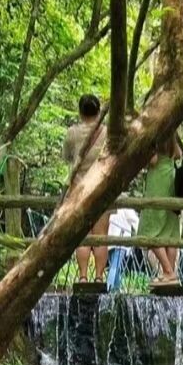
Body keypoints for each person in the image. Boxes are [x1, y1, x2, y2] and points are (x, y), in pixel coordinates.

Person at [62, 94, 108, 282]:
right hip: (103, 187)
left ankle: (82, 276)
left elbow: (66, 157)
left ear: (80, 112)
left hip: (79, 189)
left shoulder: (72, 133)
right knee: (101, 235)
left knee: (82, 234)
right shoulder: (107, 131)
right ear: (99, 112)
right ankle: (98, 277)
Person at [137, 137, 183, 283]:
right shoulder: (172, 133)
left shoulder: (155, 134)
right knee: (170, 229)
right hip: (170, 177)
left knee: (149, 229)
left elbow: (153, 160)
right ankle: (169, 275)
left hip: (157, 181)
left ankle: (168, 271)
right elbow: (179, 153)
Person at [106, 207, 139, 291]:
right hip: (121, 241)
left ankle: (116, 288)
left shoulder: (112, 207)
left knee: (115, 265)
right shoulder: (126, 207)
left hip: (110, 241)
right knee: (115, 266)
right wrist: (141, 234)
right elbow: (135, 221)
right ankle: (109, 287)